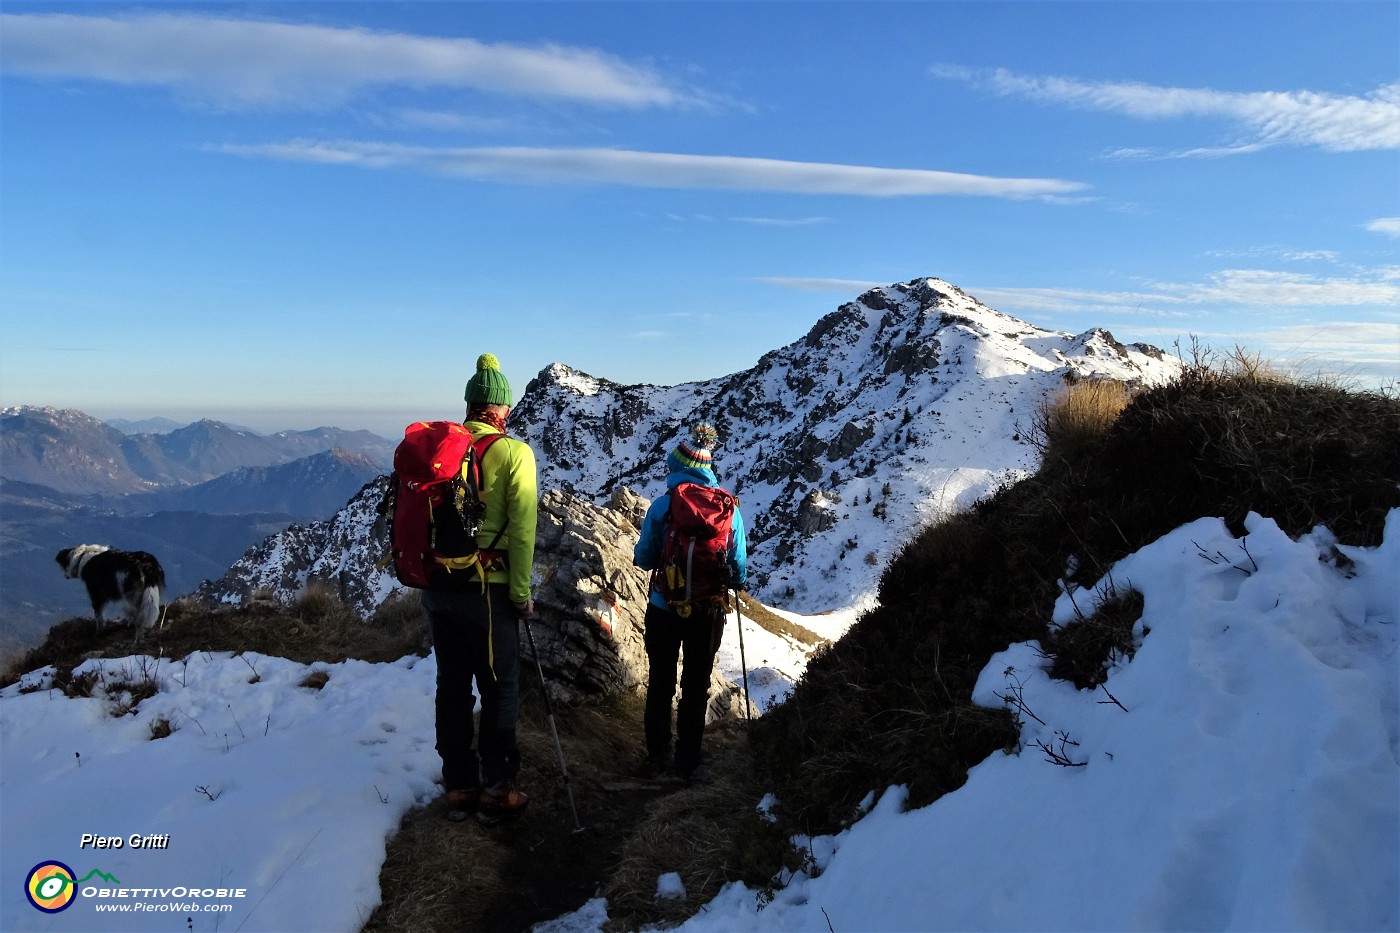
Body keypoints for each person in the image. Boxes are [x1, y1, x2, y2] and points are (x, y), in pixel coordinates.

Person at [423, 353, 539, 822]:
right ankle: (496, 791)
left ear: (470, 405)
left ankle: (458, 788)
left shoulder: (440, 449)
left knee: (451, 685)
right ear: (501, 409)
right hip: (486, 591)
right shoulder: (513, 453)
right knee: (499, 688)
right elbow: (523, 530)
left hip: (436, 586)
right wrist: (520, 592)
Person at [633, 421, 747, 782]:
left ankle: (657, 759)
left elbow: (645, 557)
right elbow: (739, 566)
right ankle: (687, 761)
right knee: (696, 685)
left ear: (677, 468)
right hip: (708, 609)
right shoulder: (729, 510)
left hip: (665, 606)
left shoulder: (663, 506)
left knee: (661, 681)